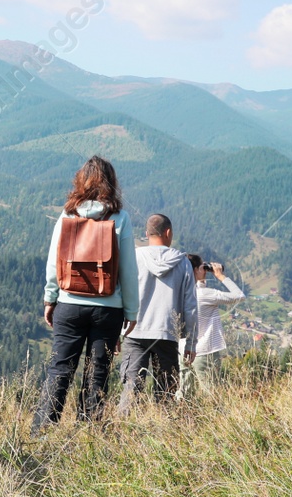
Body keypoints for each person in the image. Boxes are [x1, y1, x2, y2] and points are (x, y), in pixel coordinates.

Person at [31, 156, 138, 431]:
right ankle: (88, 433)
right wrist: (131, 311)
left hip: (69, 303)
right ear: (111, 183)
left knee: (60, 369)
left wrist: (50, 298)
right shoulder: (119, 218)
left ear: (80, 181)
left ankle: (42, 431)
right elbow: (127, 269)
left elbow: (55, 261)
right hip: (108, 308)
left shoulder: (68, 214)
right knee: (97, 372)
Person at [117, 214, 197, 411]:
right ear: (168, 233)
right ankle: (164, 435)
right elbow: (191, 306)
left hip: (134, 331)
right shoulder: (183, 263)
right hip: (167, 333)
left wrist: (116, 331)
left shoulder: (133, 258)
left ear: (147, 233)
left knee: (130, 389)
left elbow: (120, 294)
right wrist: (191, 341)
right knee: (166, 393)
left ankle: (121, 434)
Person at [178, 255, 244, 399]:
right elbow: (239, 295)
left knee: (184, 394)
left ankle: (182, 418)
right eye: (203, 267)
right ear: (195, 270)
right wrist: (220, 276)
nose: (206, 270)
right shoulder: (206, 294)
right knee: (212, 395)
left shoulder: (179, 292)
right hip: (205, 351)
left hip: (182, 350)